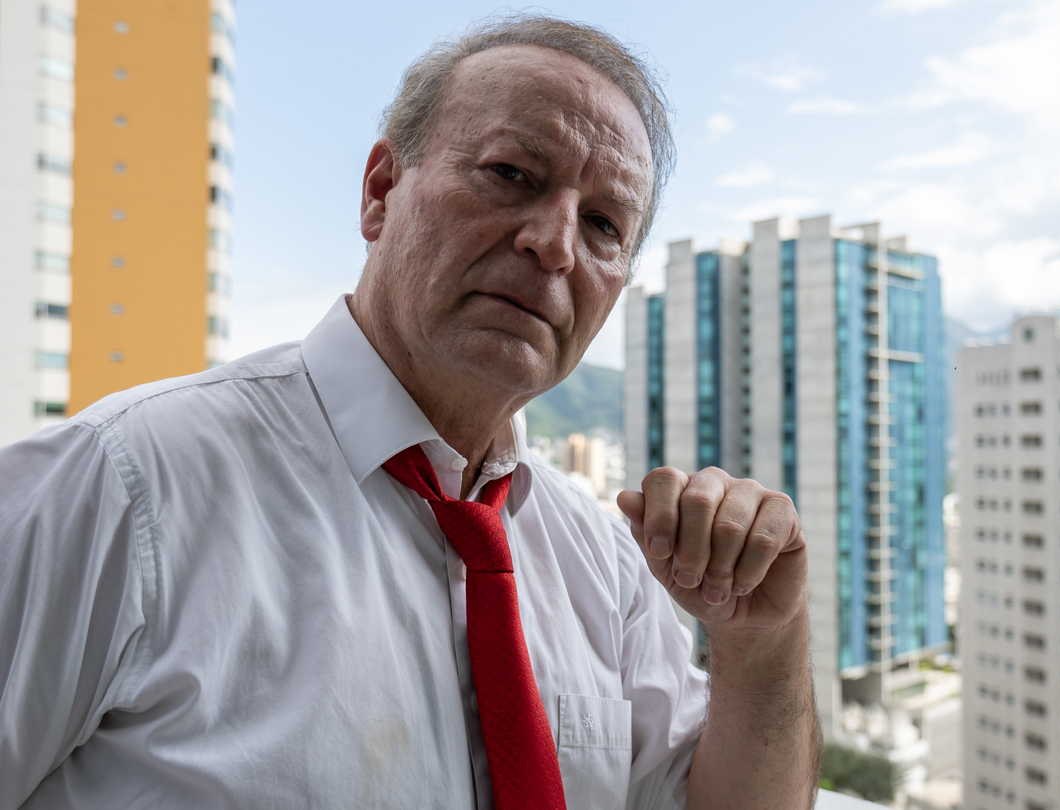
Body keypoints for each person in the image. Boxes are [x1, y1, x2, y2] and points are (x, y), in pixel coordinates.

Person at [0, 15, 820, 810]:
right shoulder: (121, 488)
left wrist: (763, 644)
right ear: (381, 192)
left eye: (603, 223)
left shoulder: (607, 567)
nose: (556, 244)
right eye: (511, 175)